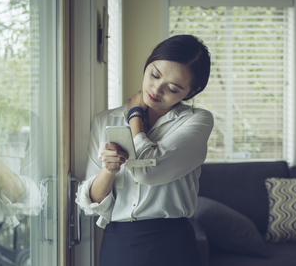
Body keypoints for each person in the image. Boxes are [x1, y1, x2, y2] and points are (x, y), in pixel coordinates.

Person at [76, 34, 213, 266]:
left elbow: (147, 172)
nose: (156, 90)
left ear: (191, 91)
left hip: (173, 243)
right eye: (154, 74)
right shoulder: (105, 120)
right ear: (148, 63)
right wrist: (109, 170)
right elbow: (90, 202)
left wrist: (134, 115)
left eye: (172, 88)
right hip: (118, 244)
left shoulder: (197, 121)